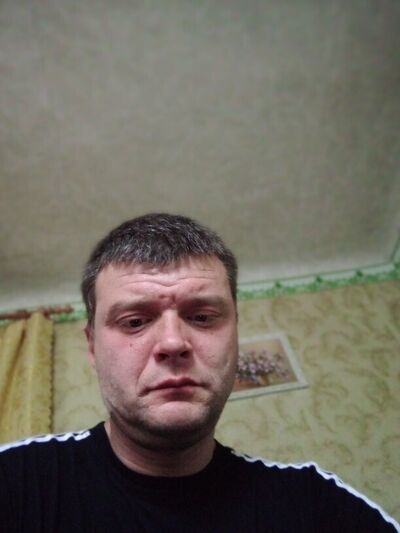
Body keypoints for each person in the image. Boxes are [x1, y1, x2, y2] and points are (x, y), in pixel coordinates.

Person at [0, 213, 398, 532]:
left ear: (235, 335)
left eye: (203, 317)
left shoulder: (317, 506)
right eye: (135, 321)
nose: (173, 342)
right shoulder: (14, 484)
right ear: (92, 347)